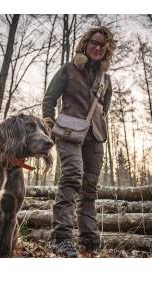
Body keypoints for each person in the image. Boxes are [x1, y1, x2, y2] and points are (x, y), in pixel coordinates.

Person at [42, 26, 116, 257]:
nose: (97, 47)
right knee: (72, 177)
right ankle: (62, 239)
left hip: (95, 138)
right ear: (85, 43)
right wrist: (50, 125)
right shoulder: (68, 69)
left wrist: (98, 128)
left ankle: (89, 243)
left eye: (102, 45)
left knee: (90, 188)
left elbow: (104, 109)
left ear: (106, 50)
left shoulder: (106, 79)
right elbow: (49, 99)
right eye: (94, 42)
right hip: (68, 133)